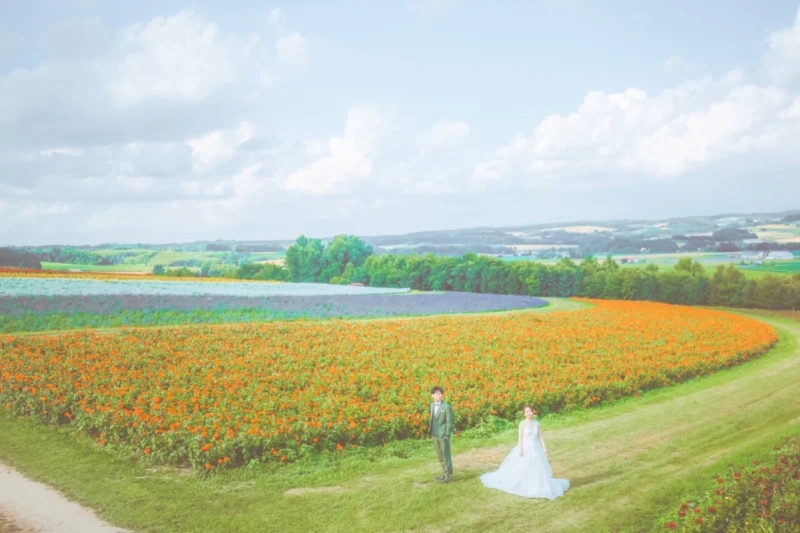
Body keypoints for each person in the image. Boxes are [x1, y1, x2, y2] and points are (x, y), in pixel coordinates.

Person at [480, 405, 569, 499]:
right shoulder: (522, 424)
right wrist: (521, 448)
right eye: (526, 412)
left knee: (537, 466)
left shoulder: (536, 423)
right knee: (522, 465)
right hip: (526, 447)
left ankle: (536, 483)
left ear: (533, 412)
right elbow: (520, 437)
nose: (528, 413)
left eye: (530, 411)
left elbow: (540, 437)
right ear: (524, 414)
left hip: (536, 448)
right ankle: (523, 482)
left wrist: (544, 448)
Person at [428, 385, 454, 483]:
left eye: (440, 394)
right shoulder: (431, 406)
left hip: (443, 435)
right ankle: (445, 473)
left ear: (442, 395)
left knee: (446, 455)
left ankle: (449, 476)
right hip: (434, 435)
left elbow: (449, 422)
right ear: (432, 395)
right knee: (440, 455)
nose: (438, 395)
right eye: (436, 394)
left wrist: (447, 434)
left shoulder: (446, 407)